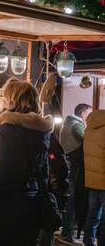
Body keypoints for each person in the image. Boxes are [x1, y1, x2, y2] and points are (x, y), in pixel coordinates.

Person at [0, 79, 54, 245]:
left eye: (4, 97)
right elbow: (45, 172)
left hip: (4, 210)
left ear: (12, 100)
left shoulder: (7, 128)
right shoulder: (43, 131)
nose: (1, 101)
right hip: (32, 208)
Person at [59, 103, 92, 244]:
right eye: (89, 113)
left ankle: (67, 232)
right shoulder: (76, 125)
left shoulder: (67, 123)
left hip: (71, 164)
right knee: (74, 200)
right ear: (83, 113)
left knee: (71, 199)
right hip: (77, 166)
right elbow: (88, 142)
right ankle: (68, 233)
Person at [38, 133, 70, 246]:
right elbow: (61, 168)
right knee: (46, 227)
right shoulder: (48, 138)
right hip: (50, 192)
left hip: (34, 191)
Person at [83, 110, 105, 246]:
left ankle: (88, 241)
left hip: (92, 180)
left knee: (93, 214)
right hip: (104, 180)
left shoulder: (88, 130)